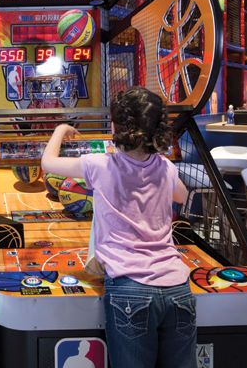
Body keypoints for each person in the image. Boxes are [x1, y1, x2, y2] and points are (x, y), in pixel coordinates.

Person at [41, 86, 195, 368]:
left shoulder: (99, 165)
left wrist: (61, 129)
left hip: (129, 288)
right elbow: (182, 196)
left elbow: (47, 162)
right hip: (177, 288)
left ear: (115, 126)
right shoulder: (166, 168)